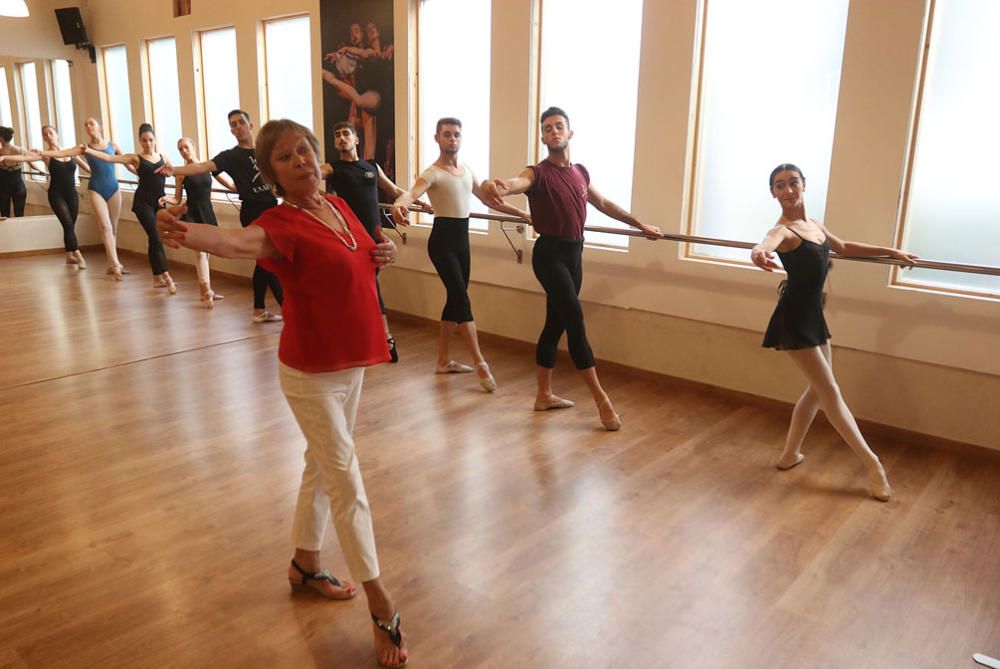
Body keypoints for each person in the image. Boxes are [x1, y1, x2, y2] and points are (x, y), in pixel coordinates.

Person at [156, 119, 409, 668]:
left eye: (305, 151)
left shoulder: (339, 206)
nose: (301, 162)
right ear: (271, 172)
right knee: (345, 477)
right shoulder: (281, 222)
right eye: (285, 158)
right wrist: (179, 232)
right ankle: (379, 600)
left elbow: (364, 251)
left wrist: (379, 254)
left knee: (320, 466)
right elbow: (233, 241)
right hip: (311, 369)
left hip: (352, 360)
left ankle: (304, 564)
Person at [482, 106, 661, 431]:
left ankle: (543, 395)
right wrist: (499, 186)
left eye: (558, 126)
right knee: (575, 319)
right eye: (547, 128)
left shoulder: (580, 172)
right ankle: (602, 401)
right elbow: (517, 182)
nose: (553, 131)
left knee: (555, 324)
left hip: (575, 255)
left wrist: (639, 225)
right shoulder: (537, 172)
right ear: (542, 136)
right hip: (549, 255)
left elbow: (604, 204)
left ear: (569, 132)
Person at [750, 163, 919, 501]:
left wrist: (891, 251)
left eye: (792, 183)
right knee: (830, 392)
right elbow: (765, 243)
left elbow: (844, 246)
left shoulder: (814, 225)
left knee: (817, 390)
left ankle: (789, 455)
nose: (787, 190)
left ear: (803, 185)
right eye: (779, 186)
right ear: (773, 192)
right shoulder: (783, 231)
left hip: (814, 317)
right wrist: (758, 253)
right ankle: (873, 465)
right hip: (794, 319)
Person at [391, 117, 529, 392]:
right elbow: (411, 193)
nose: (452, 139)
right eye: (447, 134)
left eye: (456, 135)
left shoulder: (466, 170)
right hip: (441, 242)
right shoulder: (432, 173)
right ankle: (480, 363)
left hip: (462, 243)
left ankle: (443, 359)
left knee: (456, 300)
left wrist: (523, 214)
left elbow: (490, 200)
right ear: (437, 138)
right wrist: (399, 204)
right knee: (462, 300)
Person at [157, 110, 283, 321]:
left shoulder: (263, 151)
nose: (238, 127)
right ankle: (288, 310)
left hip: (273, 208)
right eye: (233, 125)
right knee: (268, 260)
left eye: (241, 122)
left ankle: (259, 310)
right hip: (253, 211)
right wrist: (174, 169)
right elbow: (202, 167)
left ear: (250, 125)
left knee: (264, 262)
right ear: (231, 130)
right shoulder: (230, 156)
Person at [321, 121, 415, 362]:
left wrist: (417, 202)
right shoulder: (333, 168)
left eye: (346, 134)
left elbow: (393, 189)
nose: (341, 138)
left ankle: (374, 337)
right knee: (366, 286)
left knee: (367, 286)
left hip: (373, 237)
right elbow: (309, 177)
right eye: (337, 135)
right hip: (349, 238)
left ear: (356, 140)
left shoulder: (371, 166)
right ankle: (384, 337)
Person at [85, 123, 176, 292]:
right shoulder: (136, 158)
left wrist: (171, 196)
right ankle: (166, 275)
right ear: (140, 141)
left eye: (150, 140)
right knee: (155, 236)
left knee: (155, 238)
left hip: (159, 203)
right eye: (144, 141)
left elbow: (177, 174)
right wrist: (88, 150)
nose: (147, 144)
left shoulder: (164, 158)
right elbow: (110, 158)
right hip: (142, 203)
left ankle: (157, 277)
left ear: (155, 140)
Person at [163, 136, 237, 307]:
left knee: (208, 251)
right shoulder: (181, 173)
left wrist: (241, 188)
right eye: (180, 149)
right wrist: (165, 199)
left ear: (194, 147)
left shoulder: (207, 166)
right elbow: (177, 198)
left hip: (207, 210)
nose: (184, 151)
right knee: (200, 253)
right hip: (192, 212)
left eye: (186, 147)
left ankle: (205, 290)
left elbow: (229, 185)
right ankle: (207, 291)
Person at [0, 125, 86, 268]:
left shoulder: (70, 152)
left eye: (50, 133)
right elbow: (24, 157)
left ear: (57, 134)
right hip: (56, 194)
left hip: (72, 194)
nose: (48, 136)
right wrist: (5, 156)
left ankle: (69, 255)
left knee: (69, 226)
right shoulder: (46, 154)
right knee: (68, 224)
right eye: (45, 135)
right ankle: (78, 255)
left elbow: (87, 167)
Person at [0, 126, 28, 218]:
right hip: (18, 187)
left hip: (3, 188)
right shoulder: (21, 150)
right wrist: (42, 171)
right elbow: (31, 163)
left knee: (4, 215)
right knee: (20, 215)